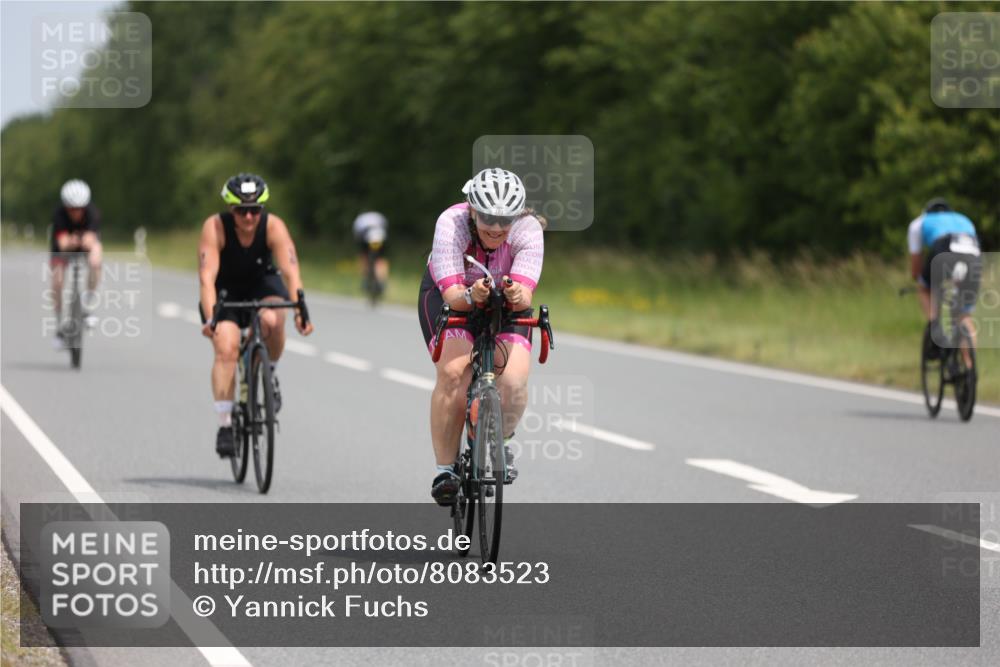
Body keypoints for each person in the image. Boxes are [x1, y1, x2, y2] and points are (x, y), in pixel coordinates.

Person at [418, 168, 545, 505]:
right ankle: (446, 470)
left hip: (503, 304)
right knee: (454, 373)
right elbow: (454, 297)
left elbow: (526, 295)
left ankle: (501, 441)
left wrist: (516, 293)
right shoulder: (452, 223)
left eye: (506, 219)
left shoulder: (528, 230)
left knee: (514, 380)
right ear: (472, 208)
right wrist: (472, 295)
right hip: (454, 295)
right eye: (488, 216)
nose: (497, 227)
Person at [198, 173, 314, 457]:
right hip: (226, 288)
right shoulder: (215, 227)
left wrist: (301, 309)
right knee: (226, 347)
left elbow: (291, 271)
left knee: (273, 320)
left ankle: (267, 372)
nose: (249, 217)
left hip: (263, 283)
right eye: (241, 210)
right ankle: (226, 425)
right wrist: (210, 317)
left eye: (255, 210)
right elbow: (206, 277)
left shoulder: (274, 226)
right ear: (230, 209)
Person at [907, 197, 981, 363]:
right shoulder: (964, 219)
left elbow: (916, 266)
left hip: (943, 247)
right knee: (963, 315)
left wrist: (920, 280)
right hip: (973, 253)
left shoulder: (919, 223)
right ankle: (969, 369)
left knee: (924, 287)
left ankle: (935, 326)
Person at [50, 179, 102, 346]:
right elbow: (63, 244)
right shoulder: (58, 214)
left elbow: (91, 239)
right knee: (57, 281)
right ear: (65, 206)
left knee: (95, 258)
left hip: (84, 244)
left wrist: (83, 241)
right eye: (72, 208)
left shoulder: (93, 213)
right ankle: (60, 327)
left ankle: (87, 305)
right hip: (62, 247)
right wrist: (72, 241)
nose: (76, 212)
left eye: (80, 208)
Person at [352, 211, 389, 295]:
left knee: (363, 256)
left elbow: (357, 236)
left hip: (366, 238)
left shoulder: (360, 220)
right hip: (381, 237)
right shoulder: (379, 217)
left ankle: (365, 279)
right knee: (381, 259)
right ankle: (382, 282)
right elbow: (386, 228)